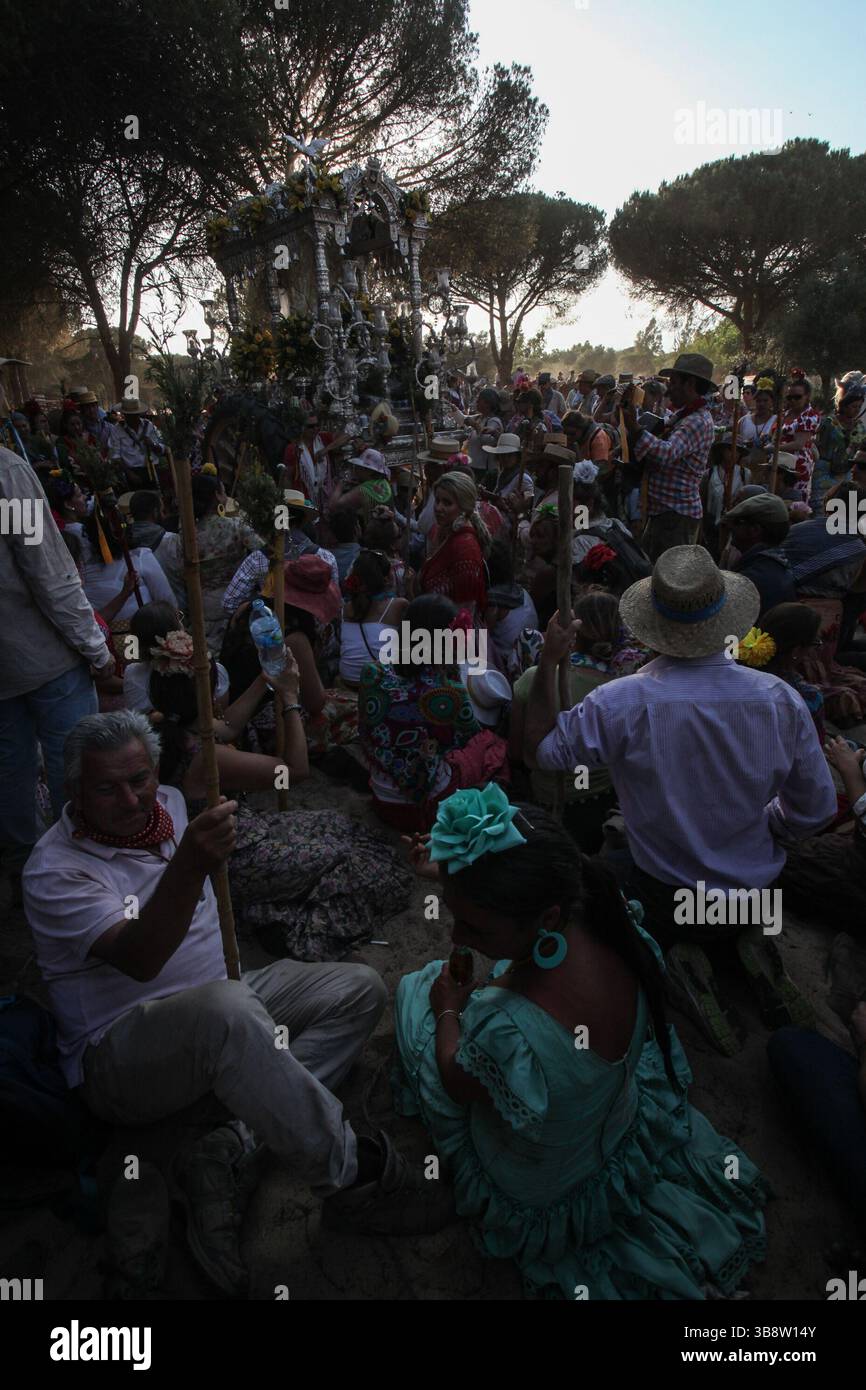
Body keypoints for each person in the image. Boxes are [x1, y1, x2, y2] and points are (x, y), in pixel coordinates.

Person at [22, 711, 451, 1296]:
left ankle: (231, 1145)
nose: (131, 799)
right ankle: (354, 1177)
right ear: (74, 791)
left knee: (359, 990)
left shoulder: (172, 803)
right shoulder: (54, 872)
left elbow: (286, 777)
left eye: (140, 779)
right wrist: (190, 863)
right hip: (123, 1057)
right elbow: (142, 957)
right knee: (227, 1013)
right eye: (106, 787)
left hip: (231, 999)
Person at [393, 787, 768, 1299]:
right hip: (613, 1129)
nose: (457, 937)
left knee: (418, 987)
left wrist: (451, 1007)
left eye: (472, 923)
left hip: (543, 1189)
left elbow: (456, 1079)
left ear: (545, 916)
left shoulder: (510, 1034)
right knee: (504, 975)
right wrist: (460, 877)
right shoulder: (617, 929)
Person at [523, 545, 838, 1055]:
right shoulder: (780, 698)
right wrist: (770, 828)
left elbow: (540, 751)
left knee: (603, 874)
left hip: (666, 896)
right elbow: (817, 809)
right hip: (756, 892)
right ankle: (740, 943)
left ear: (653, 624)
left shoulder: (620, 701)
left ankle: (679, 958)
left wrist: (549, 661)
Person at [0, 446, 113, 872]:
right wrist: (96, 649)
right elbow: (47, 572)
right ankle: (79, 866)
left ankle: (25, 870)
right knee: (76, 763)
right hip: (44, 658)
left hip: (11, 667)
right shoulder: (6, 474)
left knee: (11, 769)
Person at [358, 595, 506, 832]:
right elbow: (467, 738)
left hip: (383, 797)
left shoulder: (372, 673)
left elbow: (366, 729)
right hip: (430, 805)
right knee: (491, 745)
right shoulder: (450, 692)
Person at [510, 592, 619, 852]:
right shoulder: (623, 688)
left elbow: (516, 753)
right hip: (602, 803)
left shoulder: (533, 678)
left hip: (545, 802)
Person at [620, 353, 716, 562]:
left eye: (673, 382)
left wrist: (635, 429)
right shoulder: (683, 415)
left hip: (676, 515)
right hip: (665, 512)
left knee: (666, 579)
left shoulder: (697, 421)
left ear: (689, 383)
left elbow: (666, 453)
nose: (668, 388)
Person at [158, 471, 263, 650]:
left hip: (201, 608)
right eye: (223, 492)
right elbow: (263, 555)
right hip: (238, 604)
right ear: (216, 496)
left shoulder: (184, 538)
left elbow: (178, 574)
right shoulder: (237, 526)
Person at [122, 601, 231, 714]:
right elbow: (220, 713)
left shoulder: (132, 674)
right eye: (179, 619)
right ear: (176, 631)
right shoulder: (210, 670)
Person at [737, 602, 825, 739]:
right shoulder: (807, 699)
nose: (816, 648)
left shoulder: (733, 674)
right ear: (796, 651)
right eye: (815, 643)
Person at [79, 508, 175, 627]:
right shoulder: (140, 557)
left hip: (110, 639)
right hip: (134, 638)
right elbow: (167, 601)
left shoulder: (83, 570)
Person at [418, 470, 490, 617]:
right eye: (437, 501)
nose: (438, 508)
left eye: (447, 503)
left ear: (464, 507)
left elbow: (464, 613)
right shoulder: (448, 532)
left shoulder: (465, 547)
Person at [339, 548, 407, 687]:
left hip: (348, 681)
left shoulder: (346, 609)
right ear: (387, 578)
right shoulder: (399, 605)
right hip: (380, 687)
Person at [721, 492, 796, 615]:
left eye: (737, 522)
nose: (730, 527)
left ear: (754, 530)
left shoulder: (750, 580)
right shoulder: (776, 566)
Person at [778, 372, 820, 506]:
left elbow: (798, 444)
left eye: (797, 397)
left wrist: (774, 448)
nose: (793, 401)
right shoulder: (786, 413)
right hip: (780, 463)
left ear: (807, 397)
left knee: (795, 503)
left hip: (799, 464)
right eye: (790, 397)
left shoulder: (810, 415)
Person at [107, 399, 167, 491]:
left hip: (152, 470)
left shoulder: (149, 425)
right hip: (132, 473)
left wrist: (152, 444)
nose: (132, 418)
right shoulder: (117, 430)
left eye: (134, 415)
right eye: (128, 415)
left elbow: (162, 449)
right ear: (124, 415)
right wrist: (130, 474)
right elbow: (115, 457)